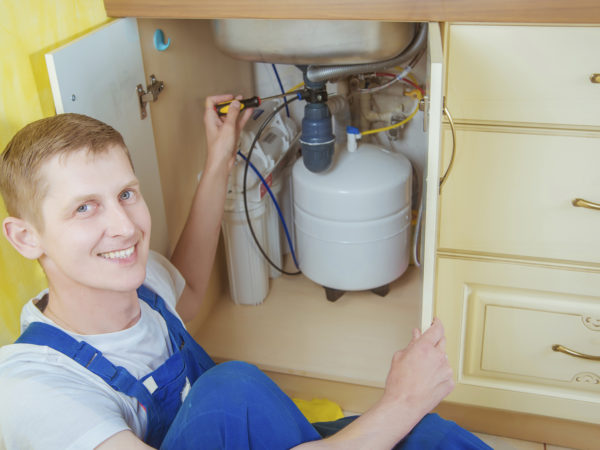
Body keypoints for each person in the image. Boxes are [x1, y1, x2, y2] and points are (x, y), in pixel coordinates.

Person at [0, 95, 490, 449]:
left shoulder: (136, 277)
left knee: (430, 437)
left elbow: (187, 292)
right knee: (231, 390)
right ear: (26, 237)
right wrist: (399, 403)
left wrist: (221, 158)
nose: (124, 227)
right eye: (85, 208)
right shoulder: (29, 386)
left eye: (127, 194)